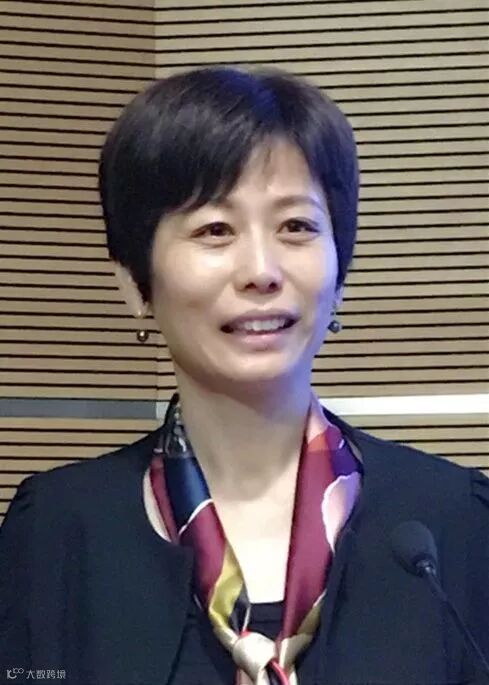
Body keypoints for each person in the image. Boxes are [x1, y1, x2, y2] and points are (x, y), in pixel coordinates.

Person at [0, 66, 488, 685]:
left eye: (296, 227)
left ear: (340, 273)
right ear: (135, 285)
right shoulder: (56, 531)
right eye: (215, 230)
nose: (261, 270)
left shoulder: (454, 522)